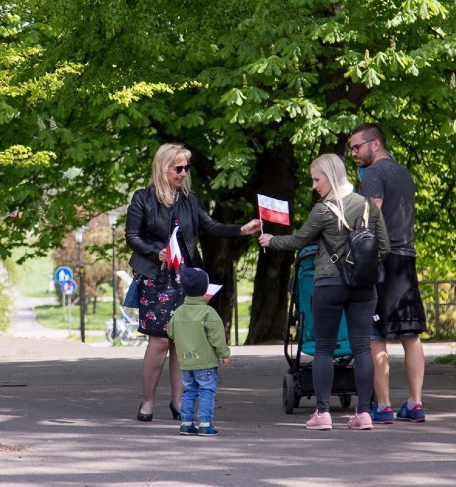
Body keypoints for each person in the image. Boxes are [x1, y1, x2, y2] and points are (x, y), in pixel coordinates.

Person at [124, 143, 260, 422]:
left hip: (186, 278)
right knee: (160, 340)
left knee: (181, 340)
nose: (184, 173)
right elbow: (132, 236)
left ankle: (179, 402)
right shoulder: (143, 199)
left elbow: (209, 226)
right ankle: (147, 401)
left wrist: (240, 230)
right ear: (164, 168)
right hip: (156, 276)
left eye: (187, 167)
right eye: (179, 168)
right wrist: (156, 251)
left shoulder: (189, 200)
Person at [259, 153, 389, 431]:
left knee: (324, 349)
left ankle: (322, 413)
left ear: (331, 176)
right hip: (365, 287)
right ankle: (364, 413)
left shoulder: (323, 210)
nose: (314, 186)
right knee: (362, 348)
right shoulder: (368, 206)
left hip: (329, 285)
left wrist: (270, 240)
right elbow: (385, 248)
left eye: (317, 179)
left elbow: (297, 240)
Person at [348, 123, 427, 424]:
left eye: (357, 147)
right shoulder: (403, 173)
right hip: (406, 259)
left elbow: (371, 219)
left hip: (381, 261)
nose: (353, 153)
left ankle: (383, 405)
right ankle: (415, 403)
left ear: (376, 144)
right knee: (410, 335)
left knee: (374, 335)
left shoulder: (374, 175)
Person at [167, 267, 230, 437]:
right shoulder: (208, 312)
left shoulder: (179, 312)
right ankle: (205, 423)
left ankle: (186, 423)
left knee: (189, 391)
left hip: (186, 362)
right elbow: (217, 337)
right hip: (206, 362)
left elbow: (170, 332)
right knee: (206, 391)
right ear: (205, 289)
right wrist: (224, 354)